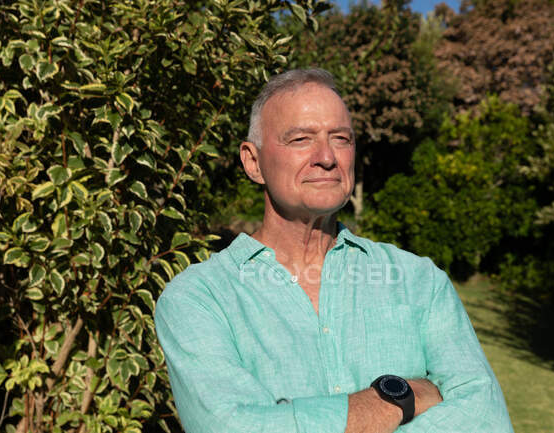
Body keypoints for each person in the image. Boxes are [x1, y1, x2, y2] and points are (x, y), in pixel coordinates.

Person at [154, 68, 514, 433]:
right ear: (253, 162)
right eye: (300, 139)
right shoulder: (198, 299)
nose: (326, 156)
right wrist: (397, 399)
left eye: (341, 139)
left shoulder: (420, 281)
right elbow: (229, 427)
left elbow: (486, 419)